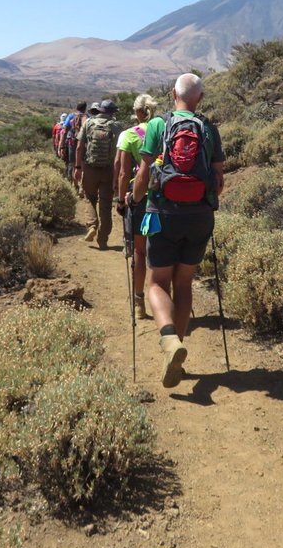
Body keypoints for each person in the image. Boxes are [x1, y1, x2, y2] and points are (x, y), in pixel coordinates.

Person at [131, 73, 224, 388]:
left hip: (163, 215)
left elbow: (143, 174)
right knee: (184, 285)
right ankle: (177, 355)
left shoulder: (158, 125)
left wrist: (135, 199)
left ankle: (170, 342)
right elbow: (219, 182)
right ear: (200, 97)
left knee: (157, 283)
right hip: (199, 217)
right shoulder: (209, 129)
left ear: (173, 94)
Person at [114, 93, 158, 319]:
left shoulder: (129, 135)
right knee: (161, 251)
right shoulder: (164, 130)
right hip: (164, 198)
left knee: (140, 252)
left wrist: (121, 200)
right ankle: (164, 302)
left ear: (138, 112)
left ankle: (139, 304)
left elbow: (122, 172)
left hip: (139, 199)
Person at [75, 99, 119, 248]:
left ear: (100, 110)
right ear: (112, 113)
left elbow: (79, 146)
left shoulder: (89, 123)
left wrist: (77, 167)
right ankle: (103, 240)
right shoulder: (117, 127)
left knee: (89, 197)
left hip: (90, 168)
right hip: (109, 169)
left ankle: (92, 226)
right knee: (106, 205)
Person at [62, 102, 86, 185]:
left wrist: (62, 146)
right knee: (82, 164)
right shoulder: (87, 117)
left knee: (72, 164)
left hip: (72, 143)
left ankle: (74, 185)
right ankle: (81, 186)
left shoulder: (71, 116)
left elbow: (64, 130)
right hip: (83, 143)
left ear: (77, 107)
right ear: (85, 108)